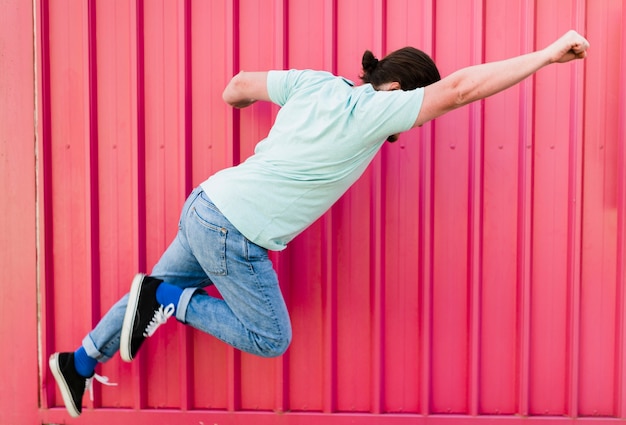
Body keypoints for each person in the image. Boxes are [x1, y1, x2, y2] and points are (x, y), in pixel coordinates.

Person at [49, 30, 589, 417]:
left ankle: (77, 362)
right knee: (268, 337)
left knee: (146, 292)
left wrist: (240, 103)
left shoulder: (313, 84)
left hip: (207, 204)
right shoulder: (378, 110)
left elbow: (237, 85)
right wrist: (545, 56)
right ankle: (172, 299)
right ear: (402, 90)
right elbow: (462, 88)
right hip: (234, 231)